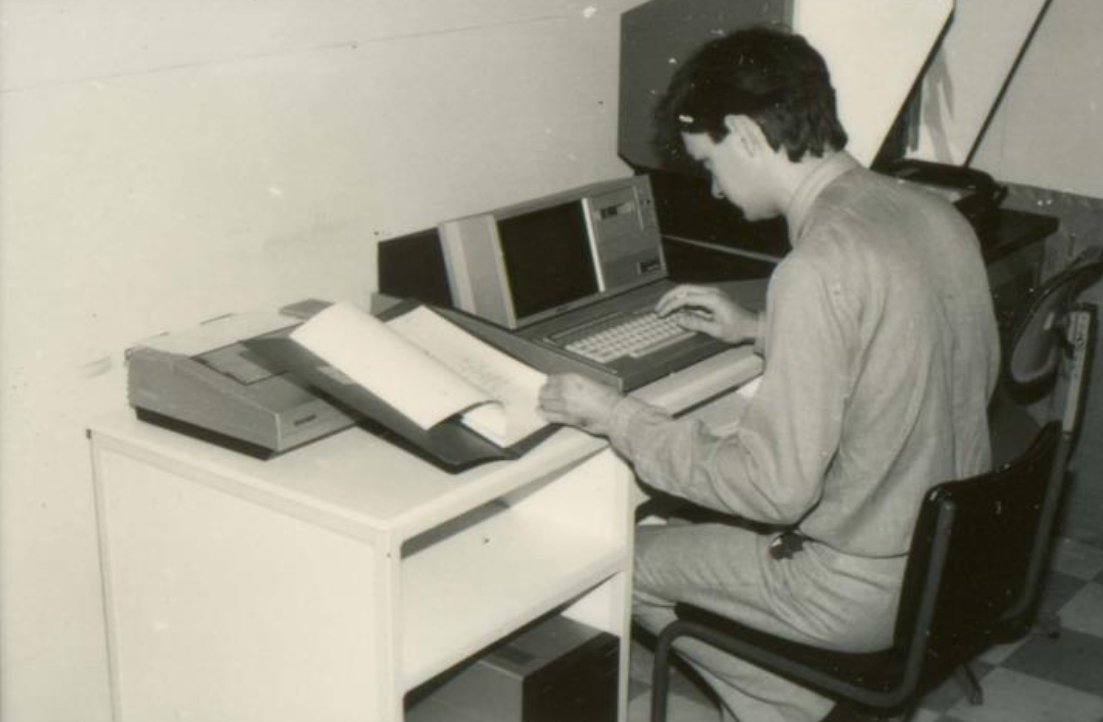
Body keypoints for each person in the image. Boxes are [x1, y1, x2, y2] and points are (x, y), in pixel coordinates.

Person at [538, 27, 1000, 722]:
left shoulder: (814, 267)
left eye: (709, 163)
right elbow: (914, 348)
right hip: (950, 565)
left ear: (746, 134)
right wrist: (760, 330)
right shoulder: (933, 213)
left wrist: (616, 418)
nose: (715, 190)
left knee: (620, 558)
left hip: (856, 586)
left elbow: (771, 490)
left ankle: (797, 712)